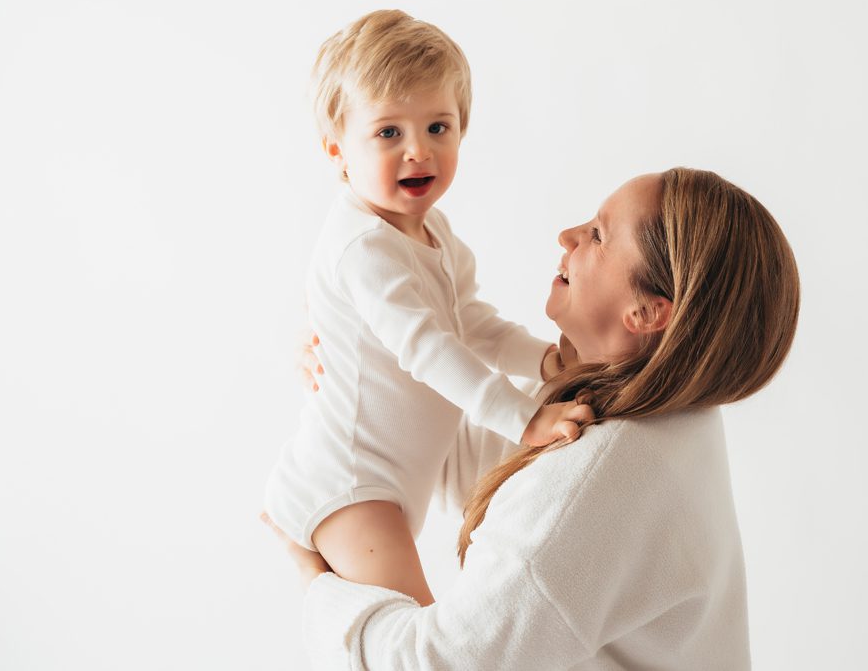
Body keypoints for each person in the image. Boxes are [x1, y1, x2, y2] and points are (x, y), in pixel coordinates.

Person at [264, 167, 801, 669]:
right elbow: (461, 457)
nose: (567, 236)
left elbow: (436, 662)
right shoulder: (665, 417)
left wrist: (316, 584)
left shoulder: (595, 482)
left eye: (597, 235)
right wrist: (362, 355)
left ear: (647, 312)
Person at [263, 10, 591, 607]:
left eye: (438, 127)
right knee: (414, 634)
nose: (419, 150)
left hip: (397, 479)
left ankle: (309, 564)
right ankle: (306, 561)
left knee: (406, 626)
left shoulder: (433, 231)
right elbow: (430, 350)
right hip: (351, 481)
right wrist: (525, 419)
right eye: (388, 133)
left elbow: (471, 324)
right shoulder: (363, 248)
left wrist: (547, 361)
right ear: (338, 150)